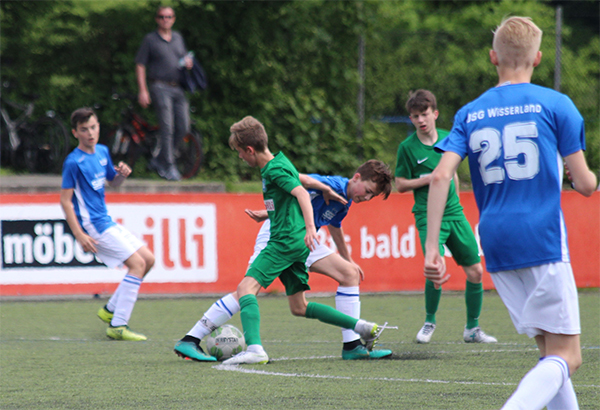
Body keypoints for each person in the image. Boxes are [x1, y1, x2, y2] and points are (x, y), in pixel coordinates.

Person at [424, 17, 597, 410]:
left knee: (548, 351)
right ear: (537, 58)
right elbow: (586, 184)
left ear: (492, 57)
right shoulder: (557, 105)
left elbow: (439, 176)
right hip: (542, 238)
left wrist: (432, 248)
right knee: (569, 356)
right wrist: (579, 179)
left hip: (497, 243)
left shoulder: (470, 112)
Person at [176, 115, 393, 365]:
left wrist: (347, 257)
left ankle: (352, 343)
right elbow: (300, 184)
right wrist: (276, 213)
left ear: (248, 149)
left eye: (371, 196)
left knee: (254, 288)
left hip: (292, 237)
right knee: (264, 296)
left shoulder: (330, 194)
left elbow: (308, 200)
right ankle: (194, 336)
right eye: (367, 191)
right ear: (356, 178)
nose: (366, 198)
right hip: (286, 234)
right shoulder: (323, 181)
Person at [395, 89, 497, 344]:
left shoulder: (449, 139)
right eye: (415, 116)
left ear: (435, 114)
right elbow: (400, 184)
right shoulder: (407, 148)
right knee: (435, 266)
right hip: (427, 216)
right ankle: (430, 321)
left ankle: (472, 329)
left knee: (475, 270)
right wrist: (430, 179)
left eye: (424, 114)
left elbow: (456, 175)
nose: (420, 120)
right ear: (411, 118)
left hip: (455, 213)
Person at [60, 107, 155, 341]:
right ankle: (118, 325)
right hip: (93, 226)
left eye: (93, 127)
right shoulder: (73, 162)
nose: (90, 133)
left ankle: (111, 309)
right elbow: (65, 201)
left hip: (107, 220)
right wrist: (79, 234)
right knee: (137, 264)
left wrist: (122, 174)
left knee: (149, 260)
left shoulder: (102, 151)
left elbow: (113, 183)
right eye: (84, 129)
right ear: (75, 133)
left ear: (98, 126)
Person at [135, 5, 193, 181]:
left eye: (168, 17)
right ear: (156, 19)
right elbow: (140, 64)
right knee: (167, 127)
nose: (165, 20)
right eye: (161, 17)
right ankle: (168, 166)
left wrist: (188, 63)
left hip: (177, 87)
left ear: (173, 19)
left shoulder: (177, 38)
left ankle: (159, 159)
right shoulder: (150, 40)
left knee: (184, 126)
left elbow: (182, 58)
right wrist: (143, 90)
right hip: (159, 87)